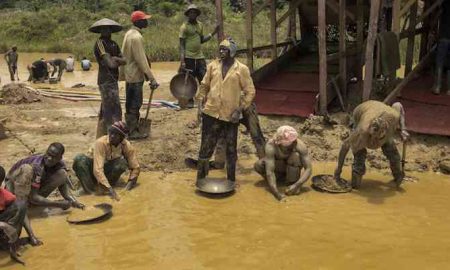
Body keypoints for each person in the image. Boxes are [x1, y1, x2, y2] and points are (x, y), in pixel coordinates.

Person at [195, 38, 255, 183]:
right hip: (210, 112)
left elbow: (250, 91)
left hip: (230, 116)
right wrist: (199, 107)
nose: (221, 52)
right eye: (220, 49)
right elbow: (204, 86)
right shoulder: (212, 66)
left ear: (232, 52)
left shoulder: (241, 69)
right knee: (205, 148)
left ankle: (231, 181)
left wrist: (239, 110)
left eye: (225, 50)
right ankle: (201, 180)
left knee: (231, 150)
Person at [5, 143, 85, 245]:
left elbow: (63, 184)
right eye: (48, 154)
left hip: (32, 184)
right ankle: (27, 224)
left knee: (63, 174)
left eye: (53, 157)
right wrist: (59, 204)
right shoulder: (34, 168)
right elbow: (32, 198)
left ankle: (31, 205)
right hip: (14, 186)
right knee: (22, 204)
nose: (49, 158)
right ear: (46, 152)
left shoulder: (59, 164)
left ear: (60, 158)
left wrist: (74, 202)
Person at [334, 100, 410, 189]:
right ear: (369, 130)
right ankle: (355, 185)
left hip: (380, 111)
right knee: (359, 156)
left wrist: (403, 129)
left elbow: (398, 105)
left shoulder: (393, 117)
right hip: (360, 112)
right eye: (372, 137)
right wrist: (338, 170)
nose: (373, 141)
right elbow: (345, 146)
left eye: (377, 138)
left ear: (385, 132)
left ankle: (398, 177)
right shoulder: (363, 130)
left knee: (393, 153)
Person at [72, 121, 140, 201]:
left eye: (116, 135)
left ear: (121, 138)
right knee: (79, 159)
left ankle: (104, 187)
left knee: (122, 163)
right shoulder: (101, 143)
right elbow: (97, 170)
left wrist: (127, 189)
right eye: (111, 133)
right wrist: (111, 191)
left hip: (107, 171)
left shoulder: (126, 145)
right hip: (92, 170)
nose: (112, 136)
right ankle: (89, 190)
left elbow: (135, 167)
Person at [120, 10, 159, 139]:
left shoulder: (128, 34)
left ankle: (130, 128)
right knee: (135, 103)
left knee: (130, 102)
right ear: (139, 22)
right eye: (145, 19)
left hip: (129, 74)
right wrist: (152, 78)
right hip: (136, 76)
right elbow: (141, 59)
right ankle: (132, 131)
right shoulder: (137, 37)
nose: (147, 21)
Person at [89, 18, 126, 138]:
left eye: (107, 28)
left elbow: (125, 60)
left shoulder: (114, 44)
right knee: (111, 110)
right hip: (105, 80)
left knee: (110, 108)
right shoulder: (100, 43)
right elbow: (111, 63)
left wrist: (114, 59)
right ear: (100, 30)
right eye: (103, 28)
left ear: (111, 30)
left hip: (113, 80)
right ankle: (112, 135)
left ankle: (103, 134)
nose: (105, 30)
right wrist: (116, 59)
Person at [254, 126, 312, 201]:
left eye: (292, 141)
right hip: (278, 167)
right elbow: (270, 172)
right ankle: (277, 181)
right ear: (279, 141)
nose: (292, 143)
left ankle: (291, 183)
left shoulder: (300, 145)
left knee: (295, 156)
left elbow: (308, 168)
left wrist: (297, 185)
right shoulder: (271, 145)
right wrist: (276, 193)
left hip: (292, 168)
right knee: (259, 165)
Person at [179, 4, 219, 106]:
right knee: (189, 79)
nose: (192, 14)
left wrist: (213, 33)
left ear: (197, 14)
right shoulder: (184, 27)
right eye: (190, 12)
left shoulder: (200, 25)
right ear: (188, 14)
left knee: (204, 78)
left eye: (194, 12)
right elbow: (182, 45)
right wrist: (182, 61)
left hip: (199, 56)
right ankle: (190, 100)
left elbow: (201, 40)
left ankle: (204, 99)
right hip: (189, 57)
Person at [0, 165, 27, 264]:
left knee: (21, 205)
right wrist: (2, 225)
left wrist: (31, 235)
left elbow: (22, 211)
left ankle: (9, 245)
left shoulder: (5, 195)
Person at [432, 0, 450, 95]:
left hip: (444, 36)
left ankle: (437, 86)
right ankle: (449, 89)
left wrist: (433, 25)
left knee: (440, 62)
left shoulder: (445, 4)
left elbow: (438, 15)